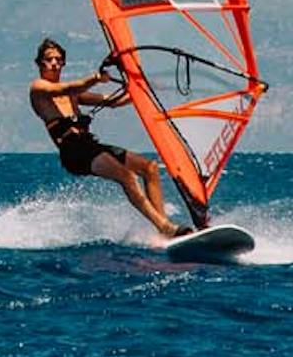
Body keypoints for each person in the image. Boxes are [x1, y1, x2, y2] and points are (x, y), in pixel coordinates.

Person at [29, 37, 186, 240]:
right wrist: (96, 77)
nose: (55, 64)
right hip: (73, 152)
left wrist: (140, 89)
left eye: (59, 60)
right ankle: (165, 227)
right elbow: (65, 88)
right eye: (50, 59)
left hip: (89, 145)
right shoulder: (39, 88)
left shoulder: (74, 96)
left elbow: (111, 101)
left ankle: (164, 230)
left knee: (149, 168)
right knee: (126, 176)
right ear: (40, 63)